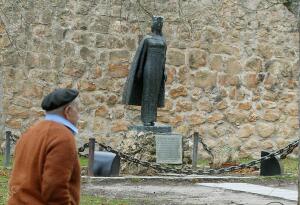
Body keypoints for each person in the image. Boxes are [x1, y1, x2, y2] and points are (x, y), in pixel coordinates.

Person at [8, 88, 81, 205]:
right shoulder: (63, 137)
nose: (79, 116)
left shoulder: (30, 132)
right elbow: (55, 188)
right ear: (68, 111)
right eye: (78, 111)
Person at [122, 16, 167, 126]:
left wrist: (164, 71)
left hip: (158, 70)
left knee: (154, 94)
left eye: (160, 24)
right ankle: (146, 118)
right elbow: (142, 57)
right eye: (158, 23)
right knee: (147, 92)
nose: (159, 25)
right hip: (149, 68)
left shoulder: (163, 40)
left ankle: (152, 118)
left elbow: (164, 58)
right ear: (154, 25)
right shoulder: (147, 39)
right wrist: (140, 70)